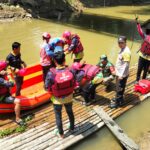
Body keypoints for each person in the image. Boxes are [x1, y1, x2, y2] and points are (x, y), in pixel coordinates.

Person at [45, 51, 75, 138]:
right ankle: (72, 128)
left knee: (58, 116)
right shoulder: (71, 70)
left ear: (54, 61)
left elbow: (47, 87)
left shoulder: (51, 73)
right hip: (69, 96)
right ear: (64, 60)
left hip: (57, 98)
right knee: (70, 112)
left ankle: (61, 134)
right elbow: (74, 82)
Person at [0, 61, 24, 126]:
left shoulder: (1, 76)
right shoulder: (1, 80)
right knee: (18, 101)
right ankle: (18, 119)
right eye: (4, 69)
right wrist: (9, 75)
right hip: (3, 96)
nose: (6, 70)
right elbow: (12, 84)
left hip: (4, 93)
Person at [110, 36, 131, 108]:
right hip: (119, 72)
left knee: (120, 88)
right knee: (118, 87)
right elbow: (120, 62)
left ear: (125, 42)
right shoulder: (122, 49)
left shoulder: (126, 52)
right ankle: (120, 99)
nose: (120, 44)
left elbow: (126, 65)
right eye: (119, 43)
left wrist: (121, 75)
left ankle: (118, 103)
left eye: (122, 43)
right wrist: (116, 70)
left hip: (122, 75)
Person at [135, 18, 150, 82]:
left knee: (146, 70)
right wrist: (138, 24)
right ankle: (137, 80)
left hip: (149, 58)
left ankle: (143, 80)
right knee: (139, 69)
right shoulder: (146, 36)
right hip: (142, 56)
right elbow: (140, 31)